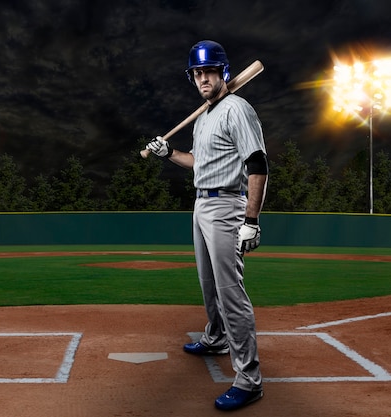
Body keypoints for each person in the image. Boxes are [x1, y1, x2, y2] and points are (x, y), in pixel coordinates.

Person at [145, 40, 268, 411]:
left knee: (231, 293)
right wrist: (169, 154)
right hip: (201, 204)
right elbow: (198, 161)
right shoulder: (204, 117)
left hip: (228, 207)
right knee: (207, 284)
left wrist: (251, 220)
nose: (202, 78)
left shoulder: (237, 109)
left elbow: (259, 164)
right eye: (197, 73)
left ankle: (249, 380)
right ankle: (216, 338)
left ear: (223, 72)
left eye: (209, 71)